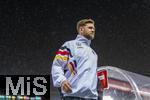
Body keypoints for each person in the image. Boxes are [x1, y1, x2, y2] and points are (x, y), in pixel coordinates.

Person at [51, 18, 98, 100]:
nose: (93, 30)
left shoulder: (94, 53)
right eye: (90, 28)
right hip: (72, 96)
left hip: (92, 97)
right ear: (81, 29)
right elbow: (57, 65)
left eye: (94, 28)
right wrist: (62, 81)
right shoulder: (69, 45)